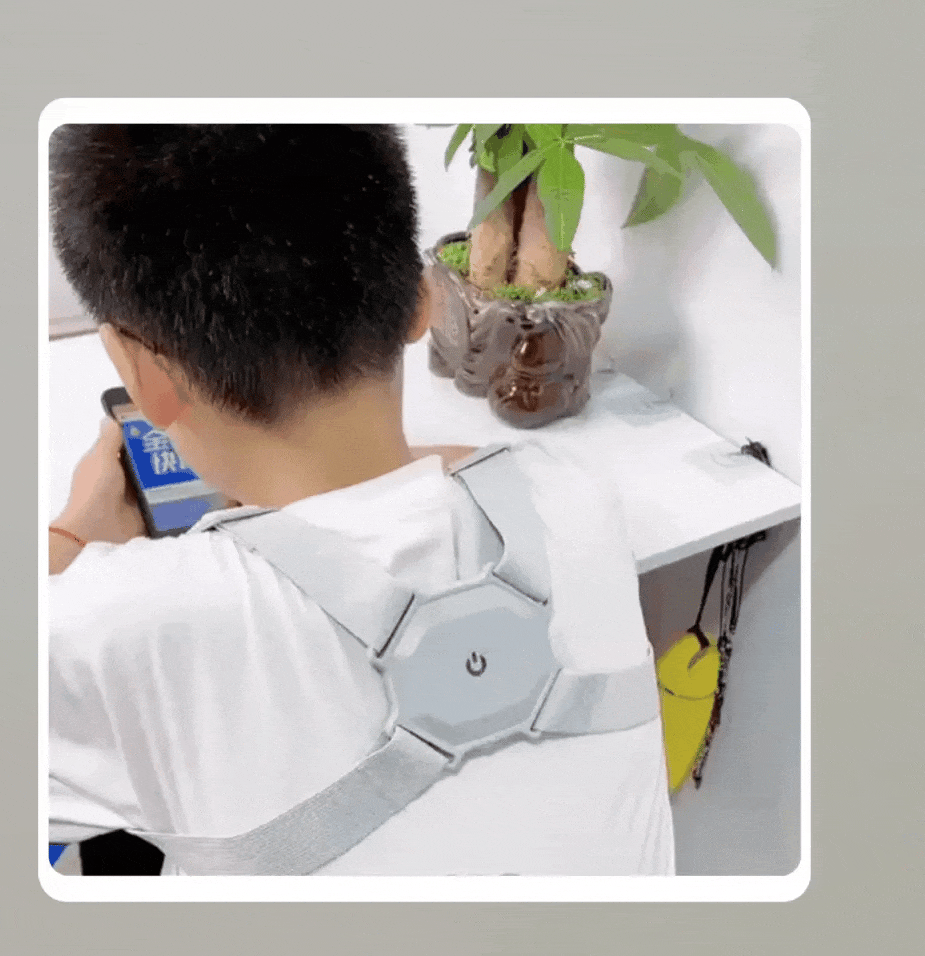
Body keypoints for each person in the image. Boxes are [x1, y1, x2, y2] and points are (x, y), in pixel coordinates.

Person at [48, 124, 675, 876]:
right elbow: (480, 463)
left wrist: (73, 534)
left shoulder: (109, 628)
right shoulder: (573, 499)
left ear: (138, 374)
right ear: (422, 302)